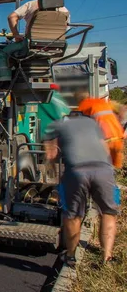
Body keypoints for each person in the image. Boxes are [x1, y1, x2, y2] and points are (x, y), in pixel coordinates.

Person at [43, 114, 120, 266]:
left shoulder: (57, 126)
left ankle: (70, 256)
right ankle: (107, 258)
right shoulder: (94, 125)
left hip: (76, 171)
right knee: (108, 213)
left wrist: (54, 176)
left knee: (73, 215)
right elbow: (106, 149)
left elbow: (50, 154)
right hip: (104, 171)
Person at [0, 0, 70, 83]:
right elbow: (66, 29)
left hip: (30, 45)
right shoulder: (65, 12)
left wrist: (16, 34)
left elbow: (11, 17)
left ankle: (4, 82)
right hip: (55, 47)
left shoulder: (33, 4)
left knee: (2, 53)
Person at [76, 91, 124, 169]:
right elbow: (122, 109)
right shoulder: (103, 102)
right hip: (118, 138)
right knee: (116, 168)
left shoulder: (82, 106)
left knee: (103, 169)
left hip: (105, 141)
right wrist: (120, 123)